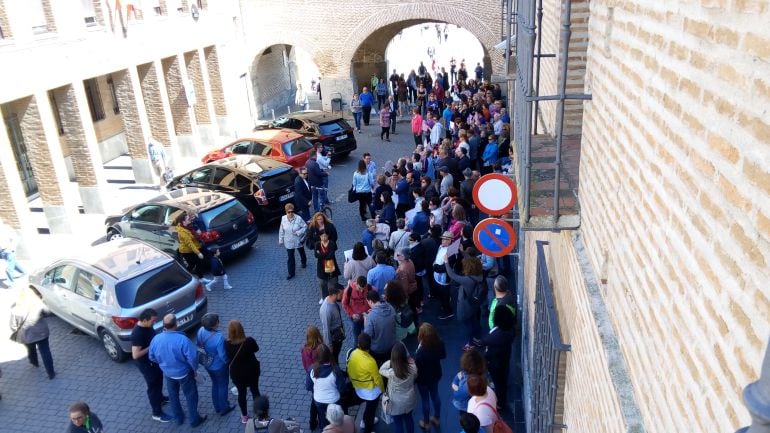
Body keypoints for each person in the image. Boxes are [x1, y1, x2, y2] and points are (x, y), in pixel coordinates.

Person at [149, 313, 207, 427]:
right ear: (176, 324)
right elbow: (193, 358)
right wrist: (194, 368)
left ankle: (178, 418)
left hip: (168, 374)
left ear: (164, 325)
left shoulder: (156, 339)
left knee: (173, 395)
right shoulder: (182, 340)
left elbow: (151, 357)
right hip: (184, 373)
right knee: (191, 395)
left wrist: (163, 365)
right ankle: (194, 420)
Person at [131, 308, 172, 423]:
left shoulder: (147, 326)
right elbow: (135, 354)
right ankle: (157, 413)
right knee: (153, 388)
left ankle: (161, 398)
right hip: (147, 366)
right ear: (144, 320)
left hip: (153, 362)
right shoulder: (137, 334)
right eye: (153, 321)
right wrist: (152, 346)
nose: (154, 323)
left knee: (159, 381)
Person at [9, 286, 55, 379]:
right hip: (41, 332)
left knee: (30, 348)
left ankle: (34, 362)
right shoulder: (38, 304)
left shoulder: (16, 308)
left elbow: (13, 325)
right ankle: (51, 373)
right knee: (45, 351)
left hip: (26, 334)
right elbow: (48, 313)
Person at [476, 305, 515, 411]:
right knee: (502, 380)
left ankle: (500, 403)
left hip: (496, 364)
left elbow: (488, 347)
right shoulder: (508, 331)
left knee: (499, 384)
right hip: (503, 361)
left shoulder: (498, 336)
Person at [196, 313, 235, 417]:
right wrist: (228, 362)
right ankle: (224, 407)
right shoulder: (218, 337)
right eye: (218, 321)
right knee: (222, 385)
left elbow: (199, 344)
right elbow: (222, 355)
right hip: (219, 366)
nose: (219, 322)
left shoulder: (200, 331)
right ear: (214, 325)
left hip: (208, 364)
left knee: (215, 384)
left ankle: (217, 406)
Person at [445, 252, 484, 348]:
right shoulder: (480, 274)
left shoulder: (467, 280)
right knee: (474, 321)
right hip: (475, 303)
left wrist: (446, 262)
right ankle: (477, 338)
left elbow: (452, 275)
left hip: (466, 305)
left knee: (468, 325)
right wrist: (462, 252)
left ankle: (470, 344)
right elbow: (472, 261)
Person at [225, 320, 261, 424]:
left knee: (241, 393)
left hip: (237, 374)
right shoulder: (249, 341)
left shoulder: (226, 344)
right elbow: (256, 349)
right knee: (255, 390)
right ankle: (259, 413)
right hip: (252, 371)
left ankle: (244, 416)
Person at [346, 333, 384, 433]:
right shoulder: (371, 362)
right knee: (370, 411)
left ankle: (364, 421)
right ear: (369, 345)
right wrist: (383, 390)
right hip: (371, 393)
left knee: (368, 409)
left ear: (358, 344)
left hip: (358, 388)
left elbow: (349, 370)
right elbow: (377, 379)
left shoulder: (352, 353)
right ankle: (367, 427)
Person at [379, 342, 418, 433]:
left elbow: (381, 369)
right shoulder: (413, 368)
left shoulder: (392, 373)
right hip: (409, 399)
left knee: (398, 423)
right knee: (409, 419)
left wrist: (391, 361)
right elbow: (415, 375)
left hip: (395, 403)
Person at [306, 344, 345, 430]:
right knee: (336, 422)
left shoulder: (312, 369)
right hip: (334, 400)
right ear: (329, 355)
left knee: (322, 420)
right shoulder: (336, 370)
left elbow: (308, 387)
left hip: (319, 400)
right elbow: (342, 388)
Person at [415, 323, 446, 429]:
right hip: (435, 375)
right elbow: (443, 355)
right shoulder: (439, 343)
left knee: (425, 399)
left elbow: (416, 368)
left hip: (423, 379)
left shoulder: (420, 353)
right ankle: (436, 418)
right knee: (435, 395)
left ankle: (426, 422)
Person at [301, 325, 325, 430]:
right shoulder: (320, 348)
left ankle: (312, 422)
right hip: (319, 376)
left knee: (314, 400)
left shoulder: (304, 348)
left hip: (310, 376)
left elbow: (305, 363)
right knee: (318, 402)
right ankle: (321, 423)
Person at [364, 290, 396, 366]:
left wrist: (366, 321)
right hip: (391, 345)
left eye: (368, 302)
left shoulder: (370, 317)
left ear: (371, 301)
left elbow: (367, 335)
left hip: (377, 350)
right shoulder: (391, 307)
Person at [342, 276, 376, 343]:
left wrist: (373, 310)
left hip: (367, 317)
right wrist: (352, 314)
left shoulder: (369, 288)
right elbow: (344, 304)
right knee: (356, 339)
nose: (362, 290)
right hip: (356, 319)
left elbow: (375, 300)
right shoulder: (349, 290)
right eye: (359, 288)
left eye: (363, 288)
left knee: (367, 338)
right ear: (356, 284)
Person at [451, 348, 487, 413]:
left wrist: (454, 386)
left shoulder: (468, 383)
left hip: (466, 407)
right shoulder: (480, 376)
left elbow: (457, 395)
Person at [278, 203, 307, 280]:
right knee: (290, 257)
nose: (290, 213)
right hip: (288, 241)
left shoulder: (298, 218)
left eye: (292, 211)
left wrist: (298, 232)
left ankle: (303, 262)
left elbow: (305, 227)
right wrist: (280, 240)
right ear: (286, 212)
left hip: (298, 239)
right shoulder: (283, 219)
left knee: (301, 251)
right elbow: (281, 230)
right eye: (289, 212)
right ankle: (291, 273)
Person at [175, 212, 207, 281]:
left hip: (193, 248)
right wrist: (198, 253)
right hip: (186, 251)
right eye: (187, 218)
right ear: (183, 221)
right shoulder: (182, 232)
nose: (189, 219)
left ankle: (201, 278)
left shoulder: (188, 226)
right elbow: (190, 243)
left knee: (199, 262)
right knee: (192, 264)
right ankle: (184, 278)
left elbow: (195, 231)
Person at [320, 285, 346, 362]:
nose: (342, 296)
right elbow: (326, 329)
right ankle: (336, 371)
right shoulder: (327, 310)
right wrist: (329, 345)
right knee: (334, 358)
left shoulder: (332, 301)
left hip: (338, 334)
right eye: (341, 294)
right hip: (334, 339)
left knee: (336, 355)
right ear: (334, 294)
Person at [433, 231, 455, 320]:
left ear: (450, 241)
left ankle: (448, 311)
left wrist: (434, 266)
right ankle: (444, 304)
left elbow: (444, 268)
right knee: (442, 294)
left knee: (444, 295)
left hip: (444, 278)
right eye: (442, 238)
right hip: (437, 276)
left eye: (445, 239)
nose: (442, 240)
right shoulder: (441, 246)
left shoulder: (451, 253)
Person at [315, 231, 341, 301]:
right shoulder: (317, 244)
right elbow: (316, 255)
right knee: (322, 284)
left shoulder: (331, 243)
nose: (323, 238)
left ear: (327, 236)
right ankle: (324, 297)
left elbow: (331, 255)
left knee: (333, 284)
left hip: (331, 267)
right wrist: (326, 254)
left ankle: (334, 297)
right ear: (320, 237)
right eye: (322, 236)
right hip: (321, 268)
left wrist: (321, 254)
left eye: (325, 236)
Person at [0, 218, 25, 283]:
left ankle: (11, 284)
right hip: (1, 252)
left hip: (8, 251)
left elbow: (16, 238)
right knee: (14, 263)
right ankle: (24, 272)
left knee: (8, 269)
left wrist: (12, 248)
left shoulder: (6, 229)